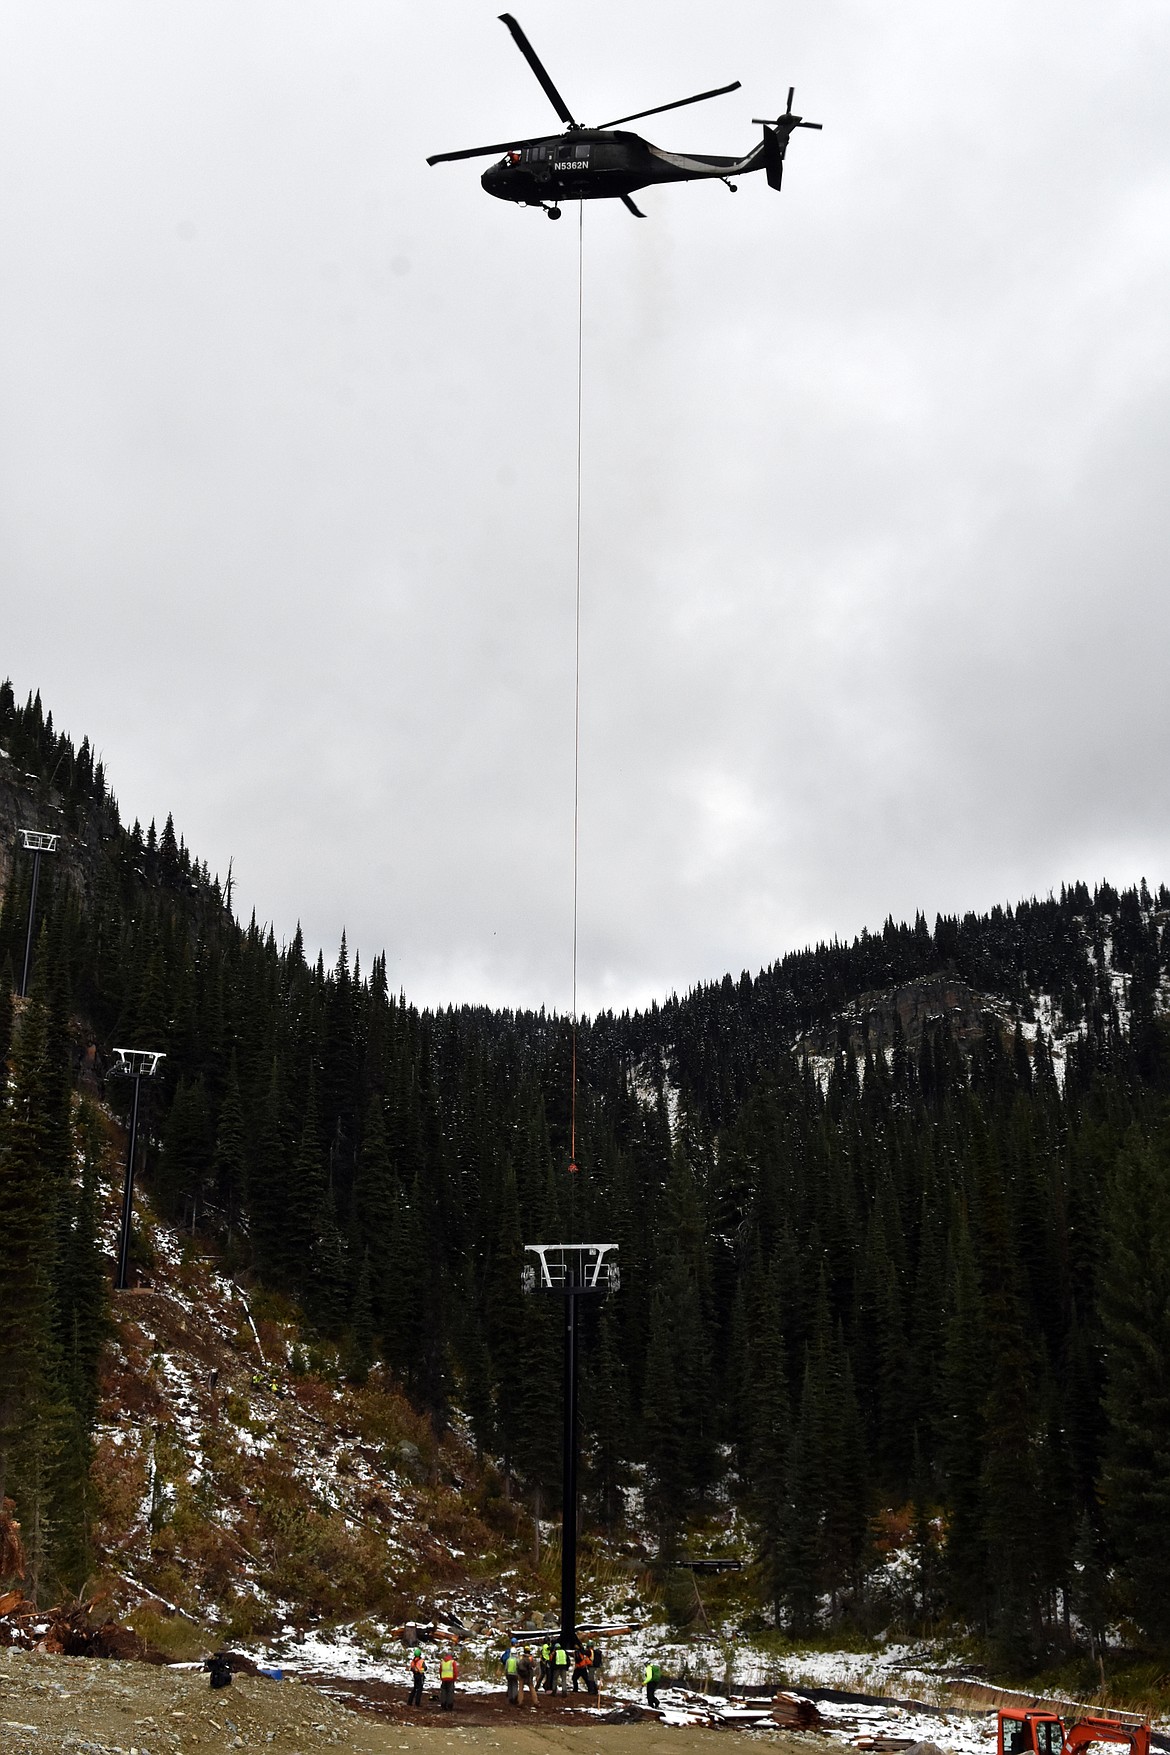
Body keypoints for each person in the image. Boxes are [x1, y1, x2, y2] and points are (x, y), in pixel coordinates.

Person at [517, 1648, 538, 1713]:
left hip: (522, 1675)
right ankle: (536, 1702)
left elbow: (518, 1665)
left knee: (520, 1688)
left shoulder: (521, 1658)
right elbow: (534, 1665)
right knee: (532, 1688)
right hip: (529, 1675)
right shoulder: (531, 1658)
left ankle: (520, 1702)